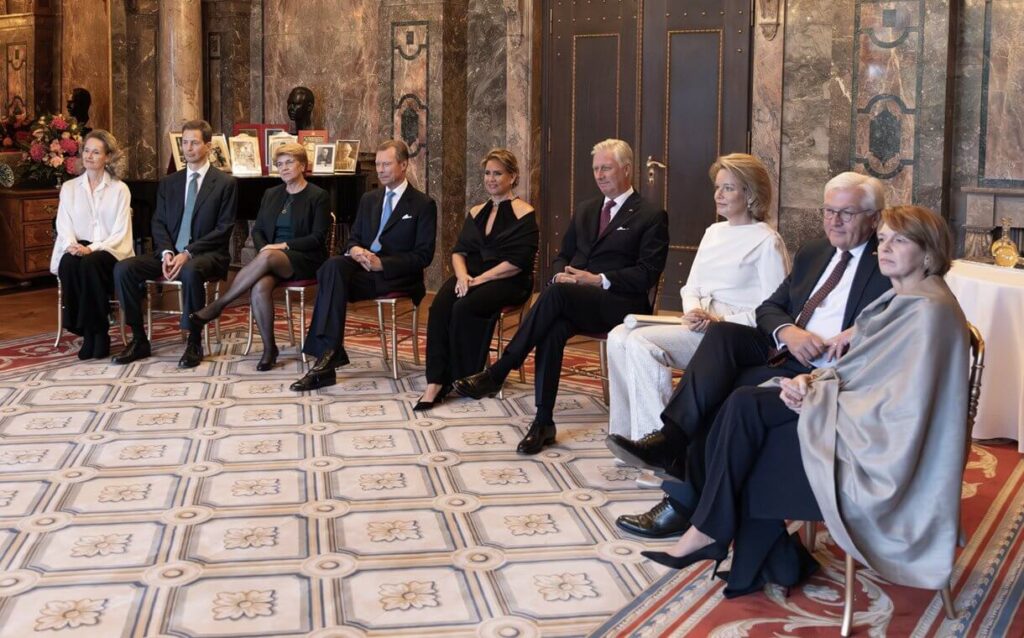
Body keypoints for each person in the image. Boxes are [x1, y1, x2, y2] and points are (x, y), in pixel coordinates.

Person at [643, 205, 969, 600]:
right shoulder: (907, 298)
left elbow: (899, 401)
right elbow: (866, 371)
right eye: (882, 239)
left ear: (930, 252)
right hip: (852, 409)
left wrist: (814, 394)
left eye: (899, 240)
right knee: (743, 402)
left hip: (879, 446)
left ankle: (718, 533)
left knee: (747, 414)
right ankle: (753, 550)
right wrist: (807, 380)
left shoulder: (925, 310)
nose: (884, 248)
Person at [609, 171, 892, 539]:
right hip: (786, 351)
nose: (834, 221)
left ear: (874, 217)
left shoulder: (886, 260)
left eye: (847, 213)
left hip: (828, 371)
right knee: (722, 340)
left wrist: (857, 332)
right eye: (828, 211)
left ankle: (680, 503)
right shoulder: (814, 252)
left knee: (720, 397)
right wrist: (788, 332)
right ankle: (672, 439)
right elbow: (771, 307)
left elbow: (908, 314)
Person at [453, 138, 669, 455]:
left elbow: (647, 273)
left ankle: (500, 371)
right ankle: (543, 422)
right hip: (574, 297)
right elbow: (563, 254)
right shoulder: (585, 210)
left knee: (557, 297)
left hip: (620, 303)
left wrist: (598, 280)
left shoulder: (650, 215)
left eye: (606, 168)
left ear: (626, 169)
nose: (599, 175)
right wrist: (559, 274)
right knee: (553, 324)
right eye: (596, 169)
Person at [607, 154, 789, 443]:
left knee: (642, 343)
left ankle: (658, 441)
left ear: (750, 193)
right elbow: (690, 287)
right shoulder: (713, 232)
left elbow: (775, 309)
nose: (718, 194)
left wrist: (721, 321)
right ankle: (624, 433)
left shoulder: (766, 240)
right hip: (699, 323)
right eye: (717, 187)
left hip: (732, 333)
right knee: (618, 335)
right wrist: (692, 310)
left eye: (728, 188)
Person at [289, 139, 437, 391]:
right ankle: (330, 354)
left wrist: (383, 264)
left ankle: (326, 357)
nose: (380, 170)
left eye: (386, 164)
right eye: (378, 164)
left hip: (395, 276)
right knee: (331, 267)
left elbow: (424, 256)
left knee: (331, 278)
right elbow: (354, 238)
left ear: (403, 164)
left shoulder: (422, 204)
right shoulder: (369, 199)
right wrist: (355, 250)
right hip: (363, 269)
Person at [189, 143, 330, 370]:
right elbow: (258, 231)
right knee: (259, 287)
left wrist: (281, 246)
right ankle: (268, 348)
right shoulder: (271, 194)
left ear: (303, 165)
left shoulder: (318, 196)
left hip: (306, 258)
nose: (284, 168)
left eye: (289, 163)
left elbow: (317, 238)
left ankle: (219, 305)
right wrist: (266, 247)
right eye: (280, 164)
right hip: (273, 258)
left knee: (266, 257)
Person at [416, 149, 539, 410]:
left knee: (465, 306)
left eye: (498, 173)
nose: (491, 179)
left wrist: (480, 279)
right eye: (487, 173)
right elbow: (459, 251)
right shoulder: (476, 211)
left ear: (512, 176)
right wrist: (462, 276)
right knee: (439, 306)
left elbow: (518, 263)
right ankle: (435, 381)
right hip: (470, 275)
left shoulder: (525, 213)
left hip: (508, 279)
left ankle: (466, 376)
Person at [112, 120, 237, 368]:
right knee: (124, 268)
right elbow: (158, 222)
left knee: (190, 270)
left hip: (207, 255)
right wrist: (168, 252)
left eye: (194, 142)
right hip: (170, 254)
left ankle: (194, 341)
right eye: (185, 142)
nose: (188, 148)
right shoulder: (169, 182)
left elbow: (223, 229)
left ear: (208, 146)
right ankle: (139, 339)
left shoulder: (225, 183)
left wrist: (188, 253)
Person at [50, 129, 133, 360]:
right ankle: (90, 332)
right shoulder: (69, 188)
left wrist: (92, 248)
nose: (89, 156)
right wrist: (73, 245)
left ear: (108, 157)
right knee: (68, 263)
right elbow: (63, 223)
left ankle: (98, 332)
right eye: (86, 150)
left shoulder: (119, 189)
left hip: (110, 248)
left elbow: (120, 232)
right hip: (77, 245)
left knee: (90, 264)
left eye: (96, 152)